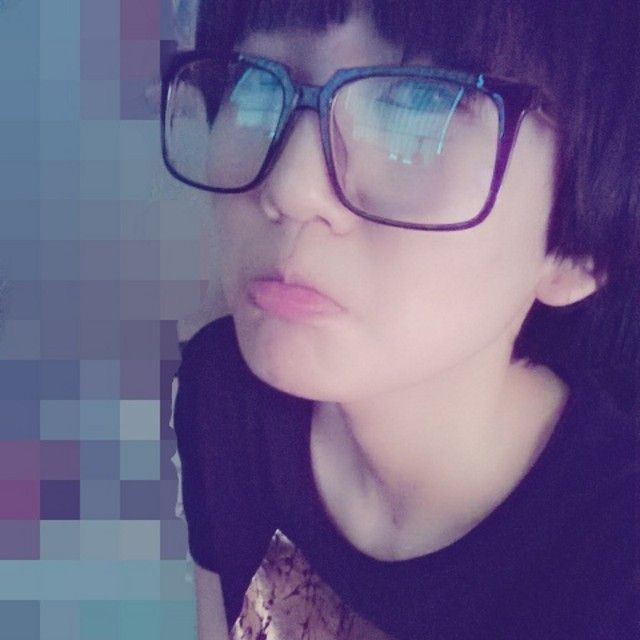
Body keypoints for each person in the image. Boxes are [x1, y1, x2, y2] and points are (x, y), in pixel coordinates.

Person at [163, 1, 640, 638]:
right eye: (252, 82)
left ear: (576, 251)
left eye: (419, 104)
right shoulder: (221, 394)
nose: (290, 188)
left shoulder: (617, 572)